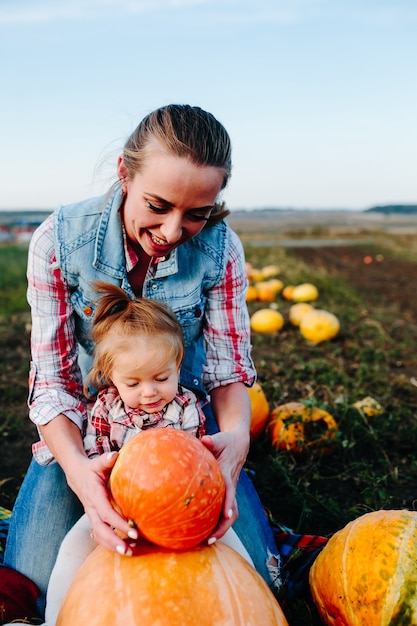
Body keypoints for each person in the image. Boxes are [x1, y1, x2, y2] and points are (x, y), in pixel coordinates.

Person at [4, 104, 280, 617]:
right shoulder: (57, 242)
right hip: (91, 435)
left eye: (197, 213)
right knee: (35, 595)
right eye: (158, 204)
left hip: (185, 434)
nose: (174, 231)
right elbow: (53, 384)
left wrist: (235, 442)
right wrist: (80, 474)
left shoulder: (222, 250)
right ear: (124, 174)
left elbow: (227, 371)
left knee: (263, 584)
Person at [7, 282, 251, 626]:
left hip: (180, 506)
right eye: (133, 384)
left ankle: (260, 600)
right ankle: (55, 617)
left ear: (178, 366)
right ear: (111, 378)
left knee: (233, 543)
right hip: (122, 504)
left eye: (161, 377)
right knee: (74, 548)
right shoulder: (105, 409)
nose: (149, 392)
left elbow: (193, 461)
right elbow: (99, 458)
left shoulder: (186, 407)